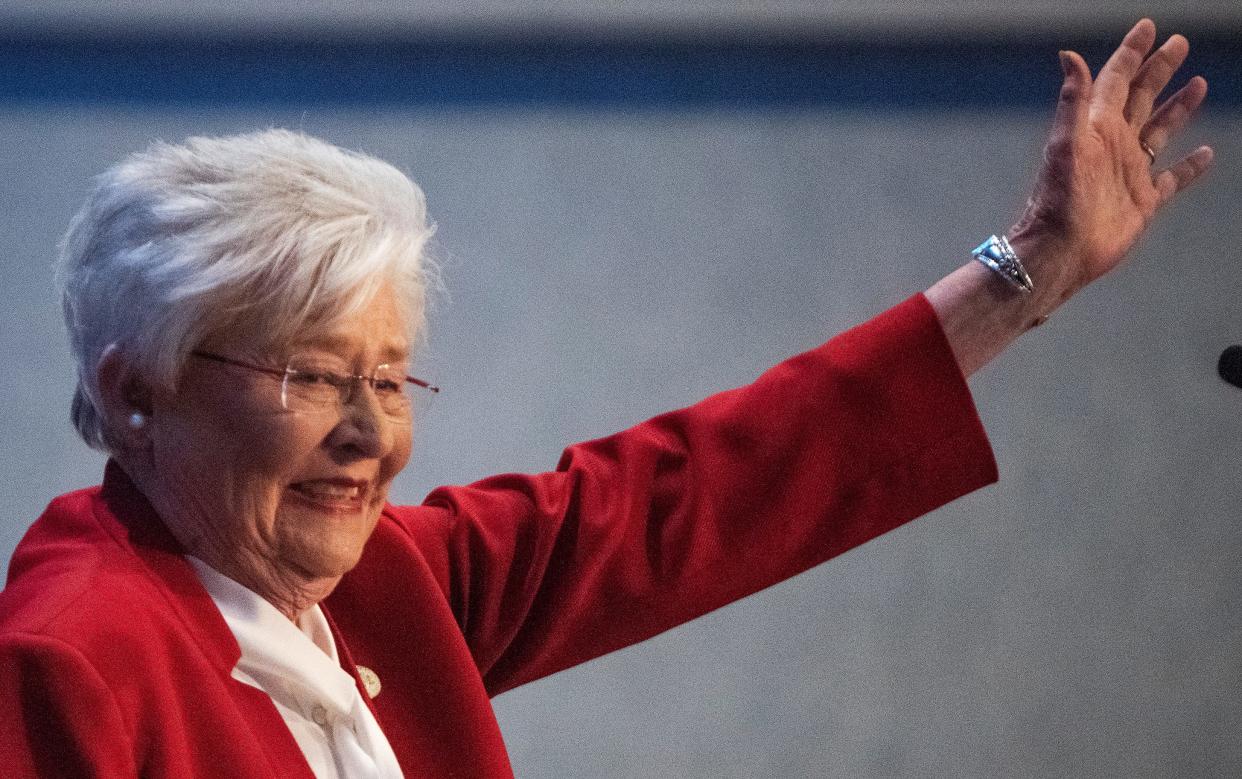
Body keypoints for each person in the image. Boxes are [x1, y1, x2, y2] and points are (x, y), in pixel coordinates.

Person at [0, 19, 1213, 778]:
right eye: (313, 375)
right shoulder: (75, 657)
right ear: (136, 389)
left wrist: (1028, 269)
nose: (371, 436)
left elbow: (691, 493)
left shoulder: (375, 583)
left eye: (386, 376)